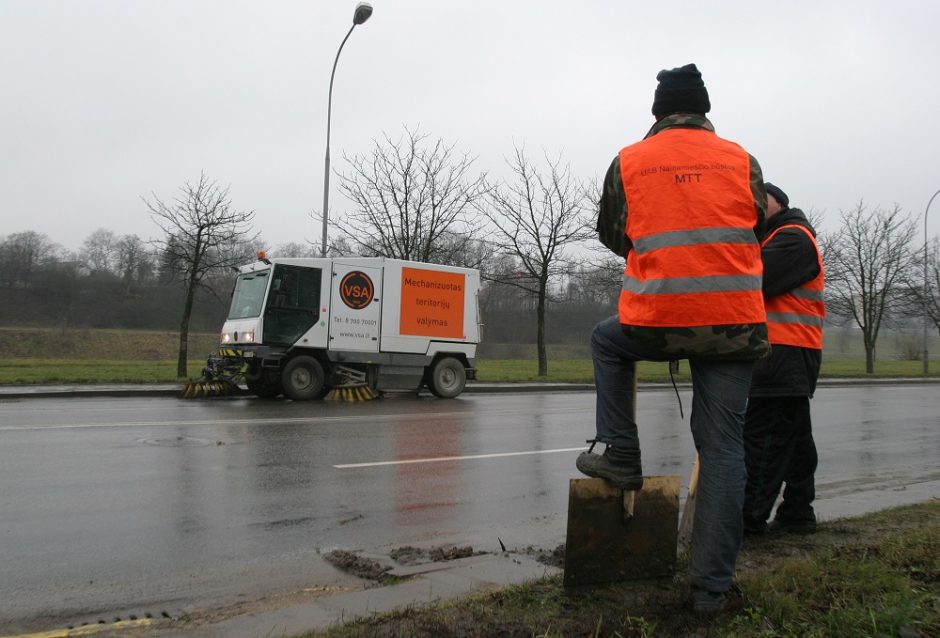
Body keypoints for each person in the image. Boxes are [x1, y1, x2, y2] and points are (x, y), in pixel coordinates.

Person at [578, 63, 770, 614]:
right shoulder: (742, 159)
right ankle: (711, 590)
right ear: (704, 110)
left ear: (658, 111)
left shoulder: (631, 160)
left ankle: (621, 451)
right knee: (724, 449)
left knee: (606, 342)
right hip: (734, 323)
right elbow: (753, 223)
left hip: (656, 317)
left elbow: (615, 234)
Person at [742, 183, 825, 536]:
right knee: (794, 438)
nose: (756, 204)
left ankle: (748, 519)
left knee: (765, 439)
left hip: (783, 352)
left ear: (780, 203)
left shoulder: (793, 237)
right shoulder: (775, 238)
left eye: (763, 198)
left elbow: (752, 279)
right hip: (784, 352)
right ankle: (798, 511)